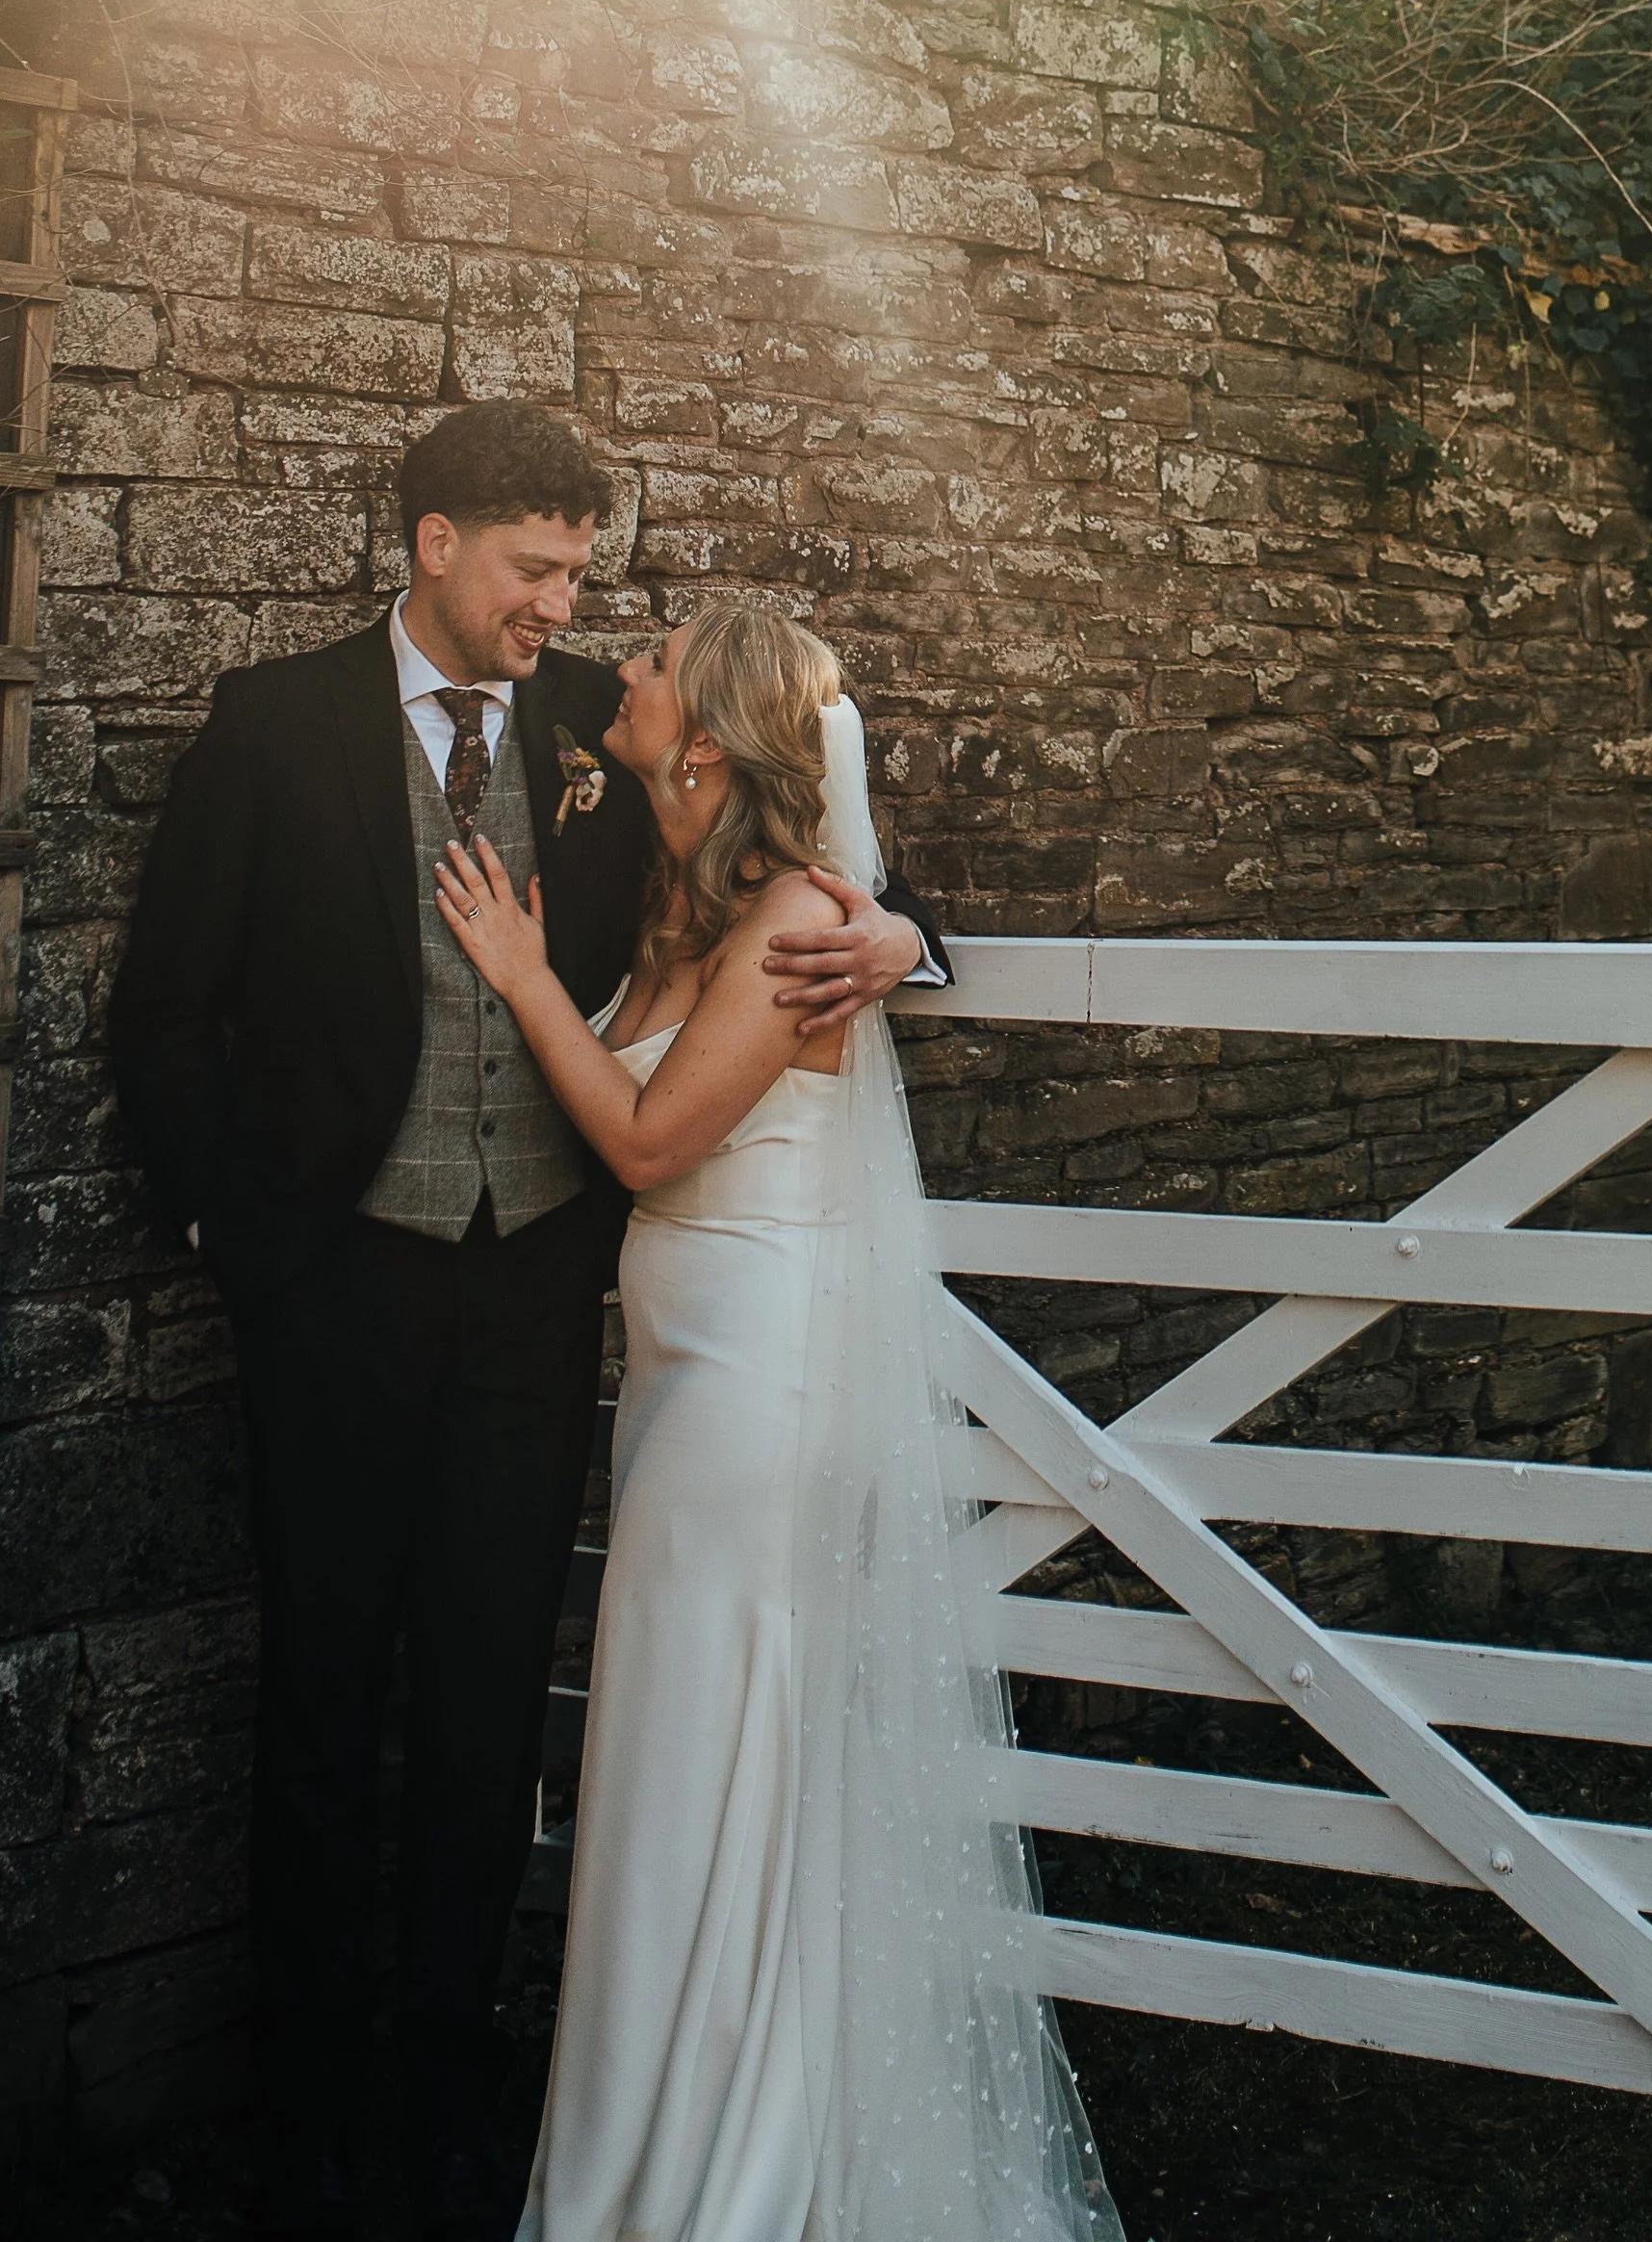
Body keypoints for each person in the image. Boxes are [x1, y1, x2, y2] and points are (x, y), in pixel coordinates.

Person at [108, 403, 949, 2242]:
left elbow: (809, 838)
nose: (561, 609)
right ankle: (312, 2125)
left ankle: (455, 2108)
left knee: (493, 1700)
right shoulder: (274, 727)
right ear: (432, 544)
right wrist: (233, 1234)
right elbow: (166, 1007)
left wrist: (901, 940)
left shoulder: (596, 724)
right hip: (334, 1289)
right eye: (534, 571)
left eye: (579, 577)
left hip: (534, 1296)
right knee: (323, 1696)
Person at [432, 602, 1122, 2242]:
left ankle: (710, 2179)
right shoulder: (669, 888)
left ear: (716, 739)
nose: (620, 662)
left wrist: (532, 980)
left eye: (659, 657)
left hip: (755, 1390)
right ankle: (693, 2136)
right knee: (688, 1763)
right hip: (684, 1377)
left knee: (708, 1750)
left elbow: (657, 1142)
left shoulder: (801, 921)